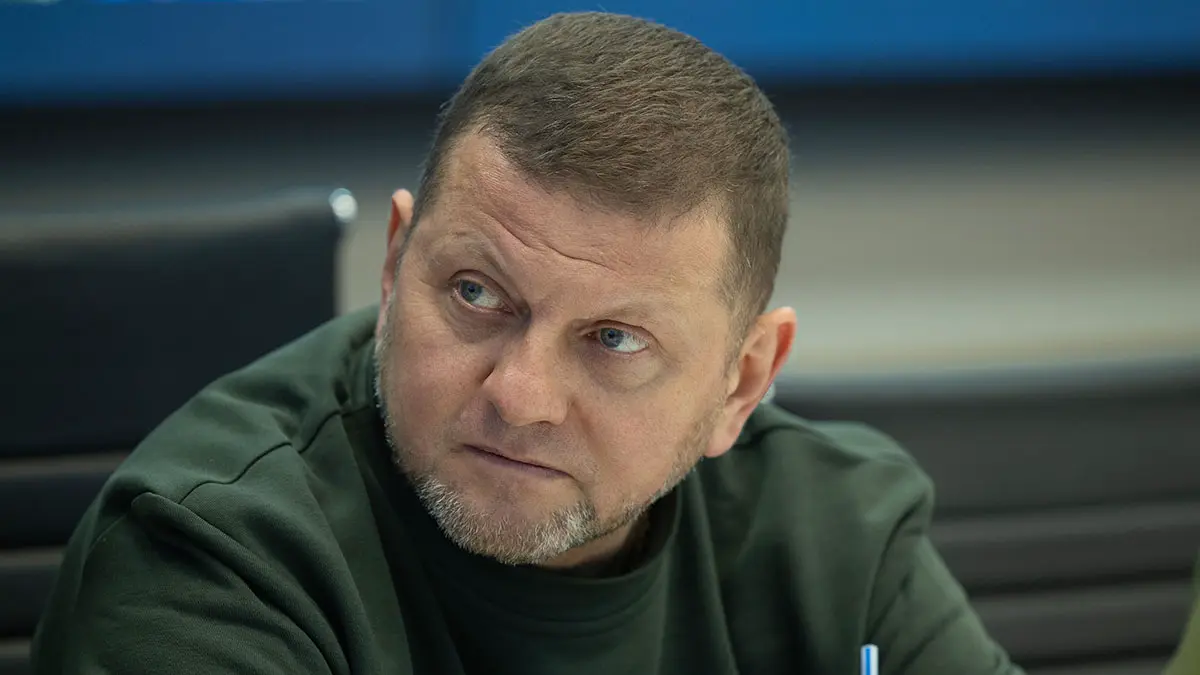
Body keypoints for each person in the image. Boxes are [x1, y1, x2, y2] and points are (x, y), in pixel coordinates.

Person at [33, 12, 1023, 675]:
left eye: (615, 339)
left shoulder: (834, 533)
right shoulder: (210, 559)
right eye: (476, 294)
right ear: (395, 265)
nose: (520, 393)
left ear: (742, 381)